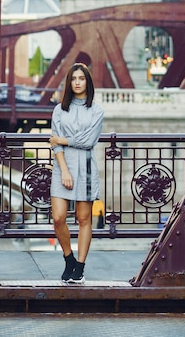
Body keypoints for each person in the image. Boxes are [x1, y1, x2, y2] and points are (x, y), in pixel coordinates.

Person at [49, 62, 104, 284]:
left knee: (83, 219)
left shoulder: (97, 110)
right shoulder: (59, 109)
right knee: (58, 217)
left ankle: (80, 267)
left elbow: (88, 141)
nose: (78, 82)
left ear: (87, 82)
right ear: (69, 83)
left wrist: (63, 139)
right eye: (74, 79)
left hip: (87, 168)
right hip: (64, 167)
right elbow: (56, 145)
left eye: (81, 78)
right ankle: (68, 258)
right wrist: (64, 170)